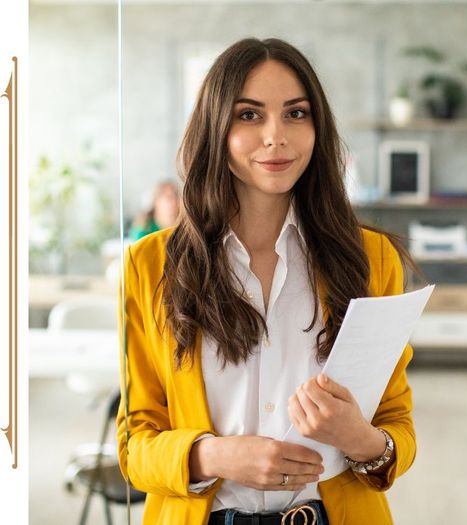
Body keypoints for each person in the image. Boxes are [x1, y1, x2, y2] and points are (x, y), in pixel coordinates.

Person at [117, 37, 416, 525]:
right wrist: (212, 456)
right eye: (249, 115)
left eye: (296, 114)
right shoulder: (149, 265)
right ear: (216, 128)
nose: (276, 136)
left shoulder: (370, 259)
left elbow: (397, 426)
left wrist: (358, 437)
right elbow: (133, 446)